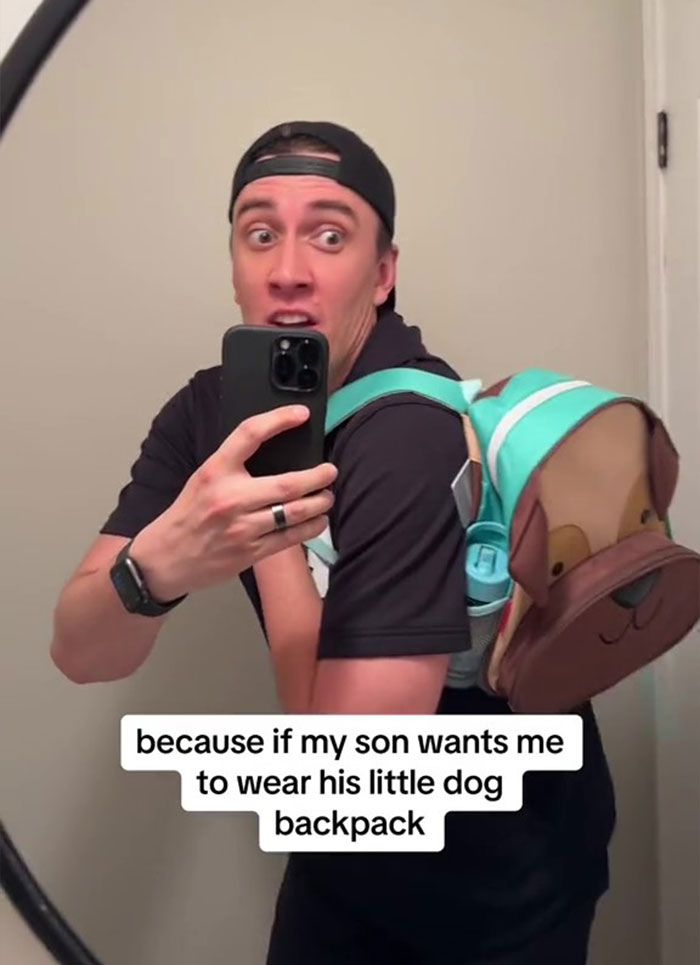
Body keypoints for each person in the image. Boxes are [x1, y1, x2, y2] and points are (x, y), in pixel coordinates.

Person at [51, 121, 616, 964]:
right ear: (234, 266)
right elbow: (81, 649)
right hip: (341, 867)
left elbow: (352, 778)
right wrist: (155, 569)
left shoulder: (409, 429)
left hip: (499, 879)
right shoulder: (204, 411)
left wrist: (269, 532)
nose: (287, 269)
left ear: (382, 275)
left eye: (328, 235)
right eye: (259, 233)